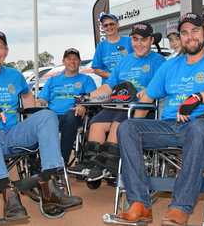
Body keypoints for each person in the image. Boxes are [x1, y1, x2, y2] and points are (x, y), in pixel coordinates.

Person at [0, 30, 82, 221]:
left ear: (6, 51)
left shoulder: (14, 75)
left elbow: (28, 100)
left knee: (47, 116)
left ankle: (48, 181)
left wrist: (38, 111)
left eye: (0, 47)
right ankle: (8, 192)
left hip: (12, 134)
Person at [117, 13, 204, 226]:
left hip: (201, 123)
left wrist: (201, 96)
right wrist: (133, 124)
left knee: (197, 129)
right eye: (184, 33)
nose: (190, 37)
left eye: (195, 31)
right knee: (127, 128)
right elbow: (148, 98)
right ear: (180, 38)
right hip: (169, 125)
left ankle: (180, 206)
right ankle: (140, 204)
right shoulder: (170, 66)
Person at [68, 22, 165, 181]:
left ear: (151, 41)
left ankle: (108, 165)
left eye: (143, 39)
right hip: (118, 103)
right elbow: (108, 87)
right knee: (96, 123)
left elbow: (162, 85)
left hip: (141, 108)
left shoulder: (159, 61)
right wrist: (88, 97)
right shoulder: (124, 61)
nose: (138, 43)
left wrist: (148, 91)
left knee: (117, 124)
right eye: (135, 39)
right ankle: (91, 164)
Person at [38, 48, 96, 164]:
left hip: (74, 115)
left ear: (79, 62)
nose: (72, 62)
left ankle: (61, 163)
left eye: (75, 59)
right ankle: (40, 163)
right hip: (53, 116)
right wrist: (38, 104)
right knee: (40, 119)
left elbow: (93, 98)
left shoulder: (86, 79)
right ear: (63, 61)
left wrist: (84, 106)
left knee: (71, 116)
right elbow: (42, 99)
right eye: (69, 59)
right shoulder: (53, 80)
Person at [92, 13, 133, 84]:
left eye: (111, 24)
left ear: (117, 25)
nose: (109, 27)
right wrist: (113, 76)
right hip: (109, 87)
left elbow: (139, 60)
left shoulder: (129, 41)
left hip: (130, 84)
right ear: (103, 28)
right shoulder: (100, 46)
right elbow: (96, 69)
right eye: (106, 25)